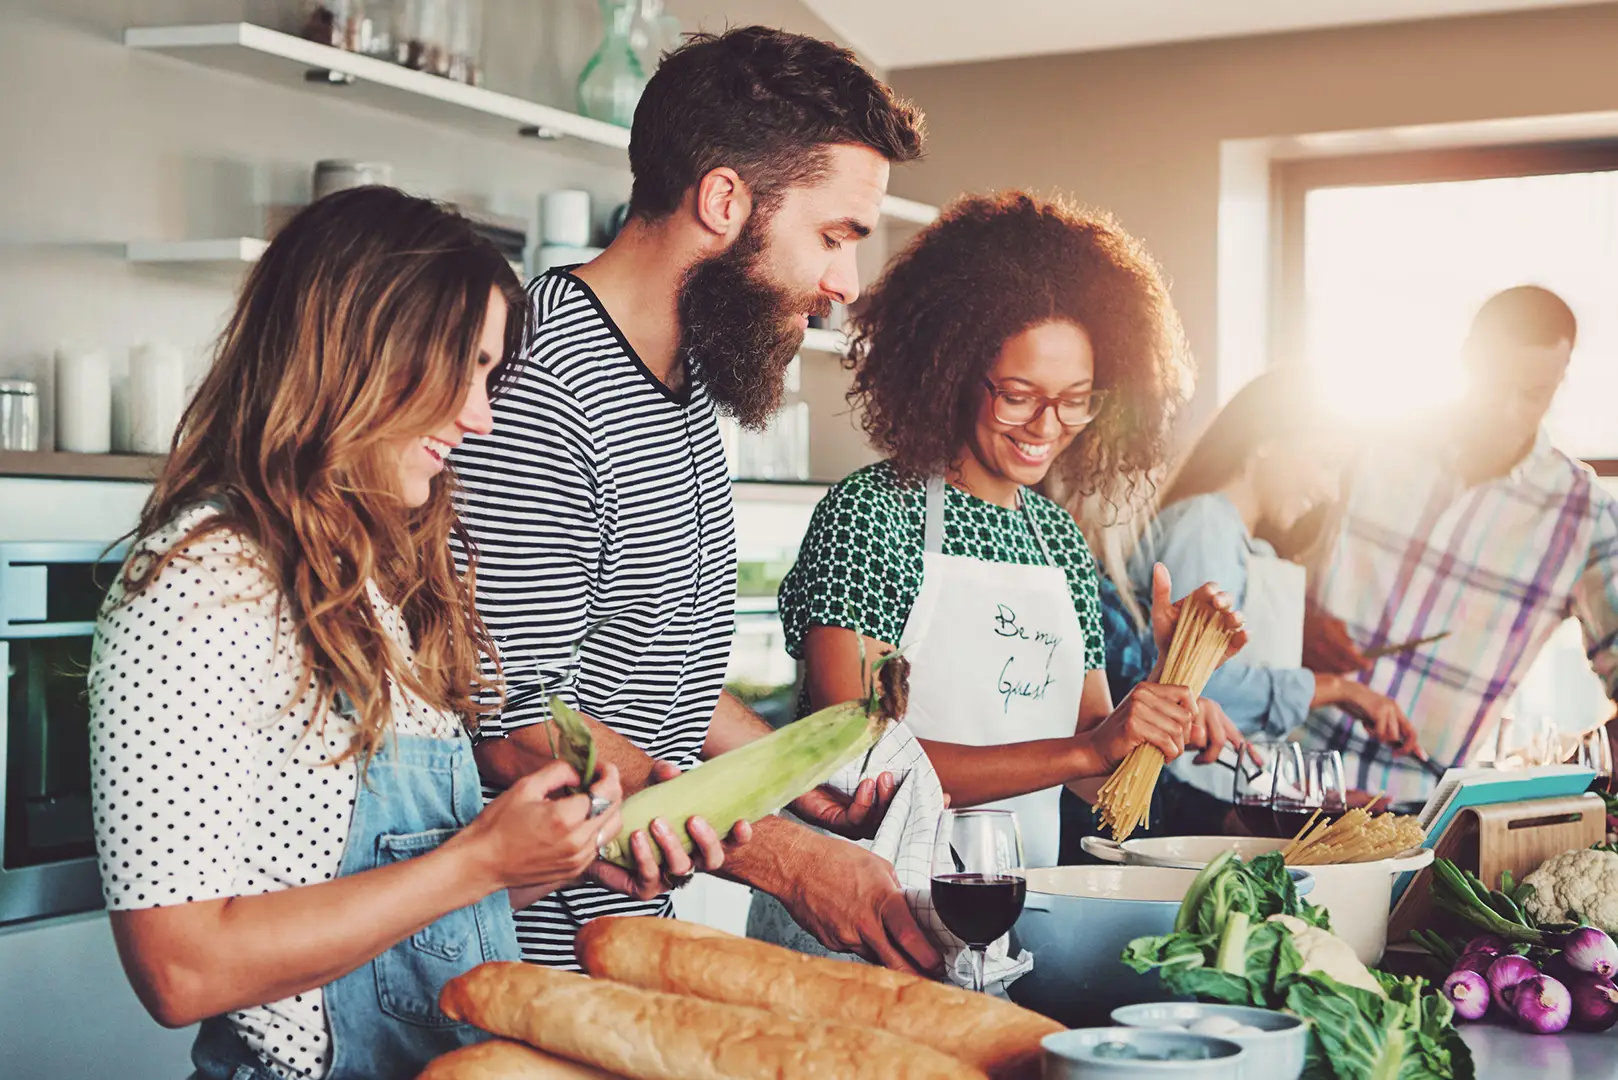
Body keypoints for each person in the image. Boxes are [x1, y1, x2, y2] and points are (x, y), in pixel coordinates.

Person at [88, 188, 645, 1080]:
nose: (480, 417)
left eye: (487, 377)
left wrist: (548, 856)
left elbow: (394, 913)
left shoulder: (378, 584)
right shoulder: (202, 582)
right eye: (461, 370)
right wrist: (477, 862)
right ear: (361, 352)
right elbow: (179, 967)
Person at [453, 27, 942, 974]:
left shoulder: (679, 384)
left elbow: (644, 657)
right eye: (834, 236)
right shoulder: (540, 386)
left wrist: (785, 774)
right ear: (724, 201)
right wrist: (790, 861)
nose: (844, 284)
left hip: (618, 948)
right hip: (514, 962)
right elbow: (511, 720)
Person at [771, 191, 1246, 892]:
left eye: (1075, 399)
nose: (1046, 427)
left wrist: (1167, 693)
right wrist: (1088, 748)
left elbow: (1095, 778)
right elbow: (854, 764)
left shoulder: (1058, 541)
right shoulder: (871, 515)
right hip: (855, 908)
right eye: (1018, 395)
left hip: (1011, 909)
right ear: (952, 372)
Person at [1300, 285, 1618, 801]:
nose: (1507, 410)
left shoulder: (1584, 517)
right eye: (1494, 384)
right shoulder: (1371, 443)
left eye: (1533, 393)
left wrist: (1560, 782)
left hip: (1416, 815)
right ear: (1468, 357)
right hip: (1276, 778)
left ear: (1560, 382)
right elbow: (1255, 559)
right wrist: (1291, 620)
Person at [1110, 369, 1422, 832]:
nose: (1332, 491)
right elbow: (1196, 691)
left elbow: (1235, 727)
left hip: (1222, 808)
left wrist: (1296, 794)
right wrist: (1340, 689)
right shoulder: (1205, 525)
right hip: (1179, 816)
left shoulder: (1245, 543)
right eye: (1327, 463)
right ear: (1264, 442)